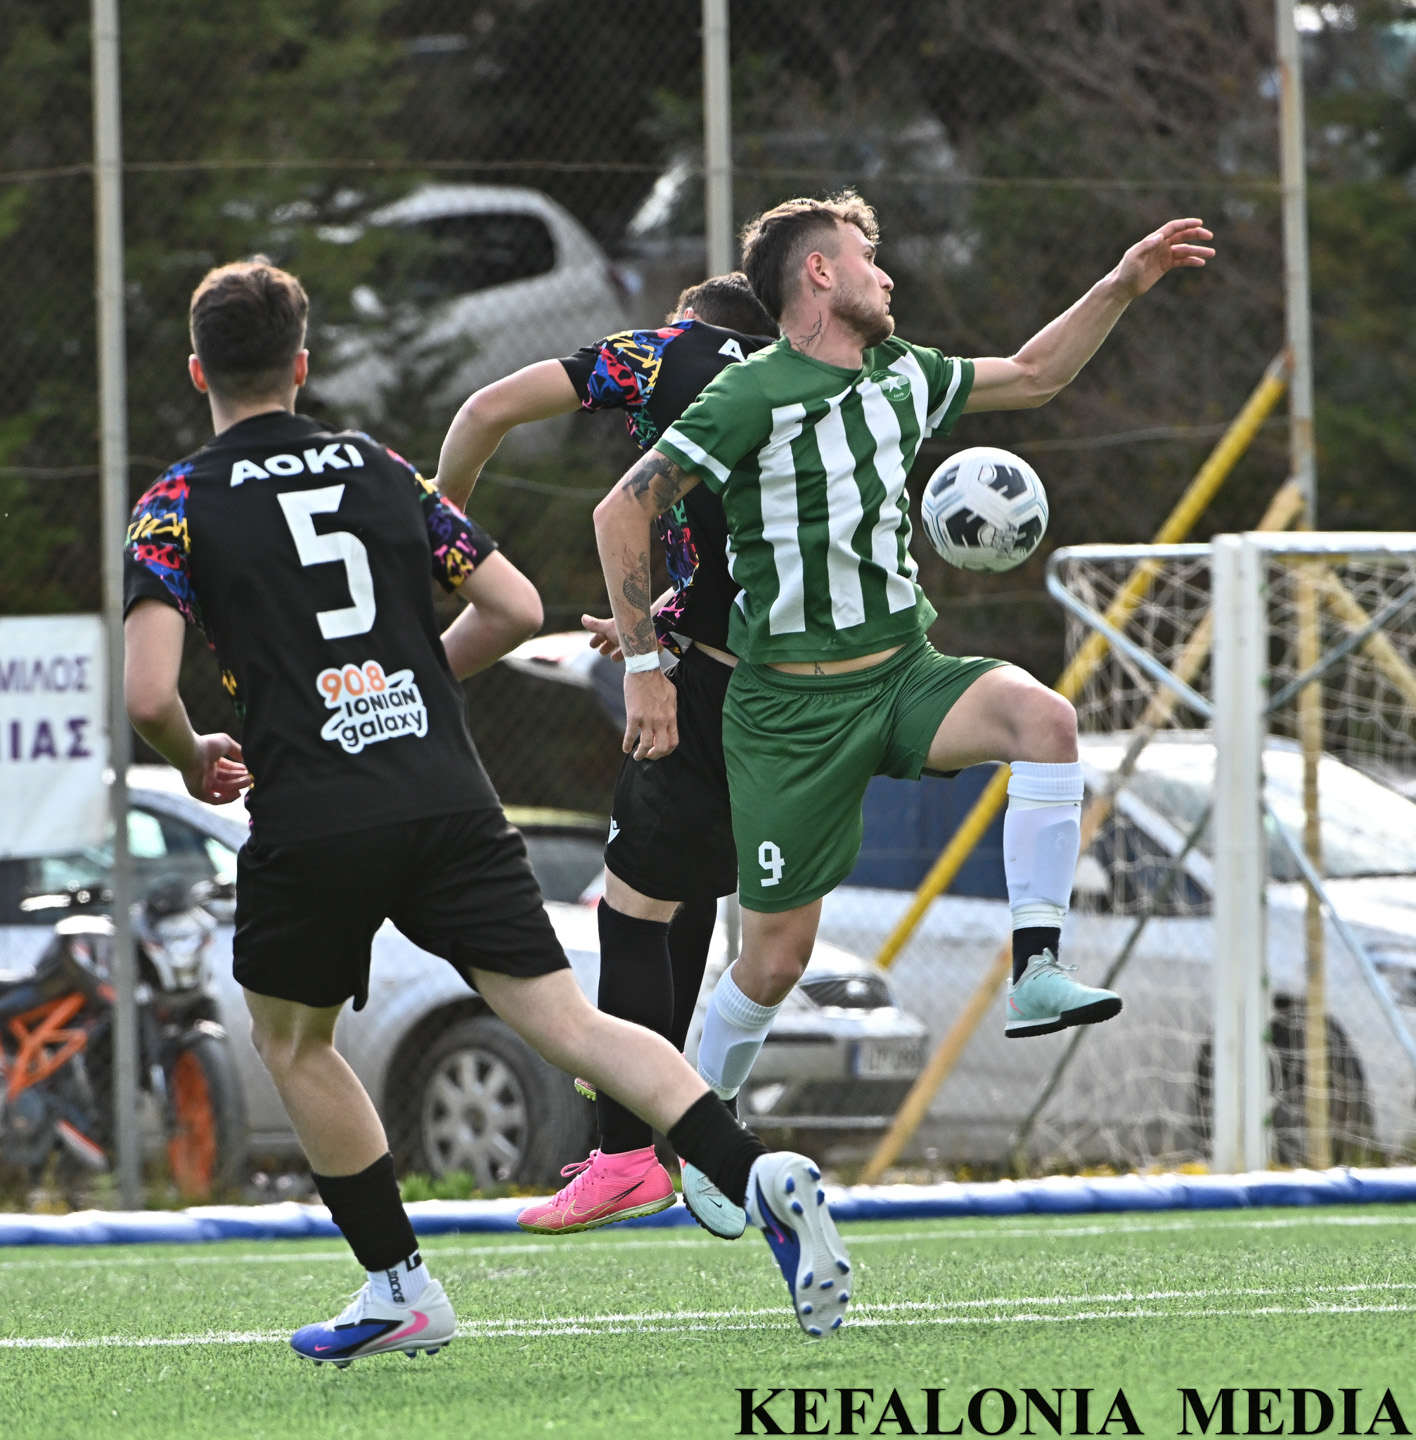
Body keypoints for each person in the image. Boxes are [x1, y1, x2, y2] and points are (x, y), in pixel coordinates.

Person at [122, 257, 852, 1355]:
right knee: (572, 1025)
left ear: (197, 372)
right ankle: (754, 1171)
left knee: (295, 1041)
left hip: (312, 811)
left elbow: (146, 696)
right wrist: (415, 683)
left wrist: (192, 757)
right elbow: (512, 606)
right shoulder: (379, 468)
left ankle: (401, 1289)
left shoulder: (176, 502)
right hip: (448, 797)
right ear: (303, 364)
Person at [593, 194, 1215, 1237]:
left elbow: (1036, 374)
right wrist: (647, 667)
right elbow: (622, 509)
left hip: (902, 676)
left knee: (1045, 722)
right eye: (867, 257)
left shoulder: (902, 375)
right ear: (820, 274)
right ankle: (703, 1128)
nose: (886, 275)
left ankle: (1037, 968)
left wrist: (1122, 284)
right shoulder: (750, 395)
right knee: (775, 962)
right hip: (788, 714)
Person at [434, 275, 780, 1235]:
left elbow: (485, 408)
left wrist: (438, 519)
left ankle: (632, 1151)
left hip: (699, 683)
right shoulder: (809, 372)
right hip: (796, 691)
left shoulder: (660, 353)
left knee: (629, 911)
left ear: (684, 321)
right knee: (686, 893)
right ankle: (683, 1127)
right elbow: (754, 544)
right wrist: (662, 611)